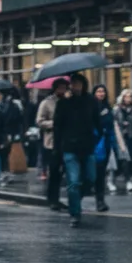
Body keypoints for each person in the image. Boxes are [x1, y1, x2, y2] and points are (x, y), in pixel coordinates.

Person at [54, 73, 100, 227]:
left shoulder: (91, 102)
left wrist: (96, 138)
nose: (76, 87)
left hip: (87, 147)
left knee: (90, 178)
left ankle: (75, 200)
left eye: (79, 84)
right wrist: (57, 148)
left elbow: (98, 122)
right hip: (70, 147)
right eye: (73, 84)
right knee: (73, 182)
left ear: (84, 85)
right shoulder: (64, 103)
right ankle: (75, 213)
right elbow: (57, 127)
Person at [36, 78, 69, 211]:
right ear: (55, 89)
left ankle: (59, 199)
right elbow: (39, 121)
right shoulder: (47, 103)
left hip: (67, 141)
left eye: (64, 87)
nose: (62, 90)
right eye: (60, 87)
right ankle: (53, 199)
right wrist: (53, 124)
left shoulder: (68, 102)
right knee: (54, 171)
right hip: (52, 142)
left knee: (64, 172)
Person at [113, 89, 132, 193]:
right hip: (120, 137)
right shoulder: (117, 109)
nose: (128, 98)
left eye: (130, 96)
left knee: (131, 158)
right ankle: (127, 180)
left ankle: (122, 176)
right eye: (126, 96)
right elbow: (113, 122)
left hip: (131, 136)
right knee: (125, 157)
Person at [92, 84, 115, 212]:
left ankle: (100, 199)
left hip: (105, 143)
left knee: (101, 172)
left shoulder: (107, 107)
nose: (101, 94)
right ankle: (97, 198)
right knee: (95, 172)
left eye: (103, 91)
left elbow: (111, 125)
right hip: (95, 143)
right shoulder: (92, 107)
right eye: (98, 91)